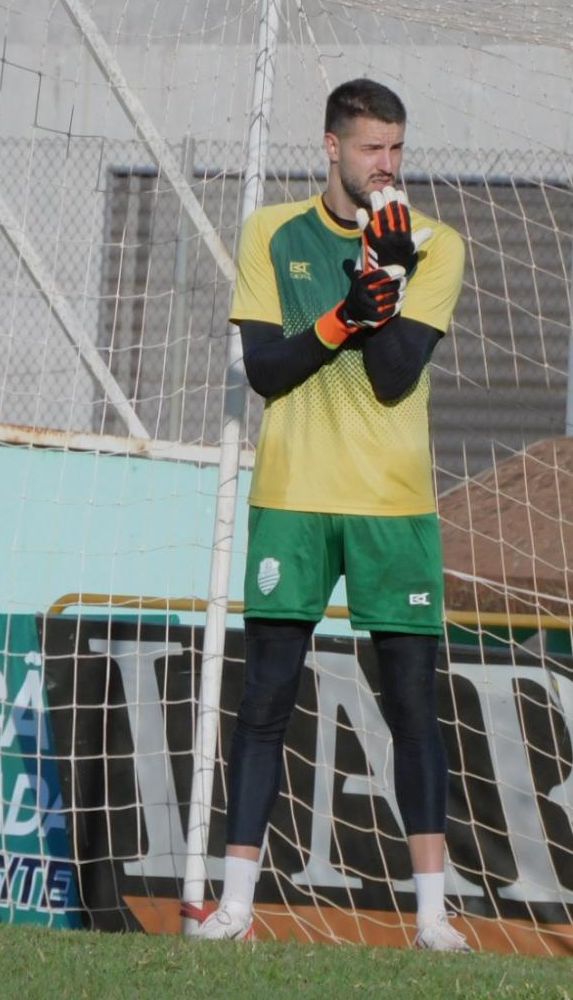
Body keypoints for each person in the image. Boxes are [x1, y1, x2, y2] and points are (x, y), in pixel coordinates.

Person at [192, 78, 467, 951]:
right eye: (370, 149)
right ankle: (236, 906)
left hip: (394, 506)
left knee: (414, 707)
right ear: (331, 148)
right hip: (293, 497)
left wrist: (385, 273)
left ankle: (431, 916)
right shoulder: (271, 232)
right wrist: (348, 311)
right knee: (267, 698)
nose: (385, 166)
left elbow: (393, 376)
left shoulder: (436, 245)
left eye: (396, 149)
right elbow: (268, 370)